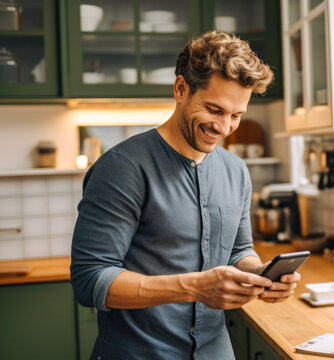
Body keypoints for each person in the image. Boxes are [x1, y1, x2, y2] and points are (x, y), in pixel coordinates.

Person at [70, 31, 301, 360]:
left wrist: (260, 275)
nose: (224, 127)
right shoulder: (122, 168)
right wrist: (195, 286)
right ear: (181, 89)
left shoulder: (236, 171)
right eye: (214, 109)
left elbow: (238, 250)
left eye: (236, 115)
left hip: (215, 351)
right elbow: (90, 278)